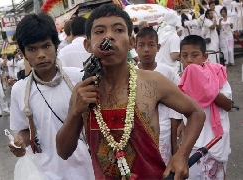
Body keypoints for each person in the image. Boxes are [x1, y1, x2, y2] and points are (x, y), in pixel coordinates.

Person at [56, 4, 205, 180]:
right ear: (88, 45)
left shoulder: (152, 82)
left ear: (131, 42)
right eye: (99, 31)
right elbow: (63, 152)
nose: (109, 36)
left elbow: (197, 112)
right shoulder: (83, 92)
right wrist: (75, 112)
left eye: (118, 30)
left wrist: (181, 154)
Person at [8, 13, 94, 180]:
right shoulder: (19, 90)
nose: (41, 54)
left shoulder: (78, 79)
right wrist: (19, 143)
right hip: (46, 173)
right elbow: (26, 130)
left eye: (46, 46)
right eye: (32, 49)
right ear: (23, 52)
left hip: (86, 170)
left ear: (56, 45)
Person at [174, 35, 231, 180]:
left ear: (204, 56)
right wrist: (181, 122)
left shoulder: (217, 75)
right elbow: (183, 107)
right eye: (185, 56)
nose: (189, 60)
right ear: (180, 57)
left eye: (195, 55)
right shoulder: (180, 79)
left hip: (216, 138)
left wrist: (208, 88)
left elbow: (228, 105)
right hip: (194, 141)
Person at [135, 27, 176, 165]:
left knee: (162, 168)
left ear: (158, 47)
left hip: (164, 132)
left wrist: (175, 139)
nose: (146, 49)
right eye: (141, 45)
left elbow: (178, 105)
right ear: (135, 48)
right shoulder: (129, 74)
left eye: (151, 45)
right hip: (138, 133)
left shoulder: (168, 72)